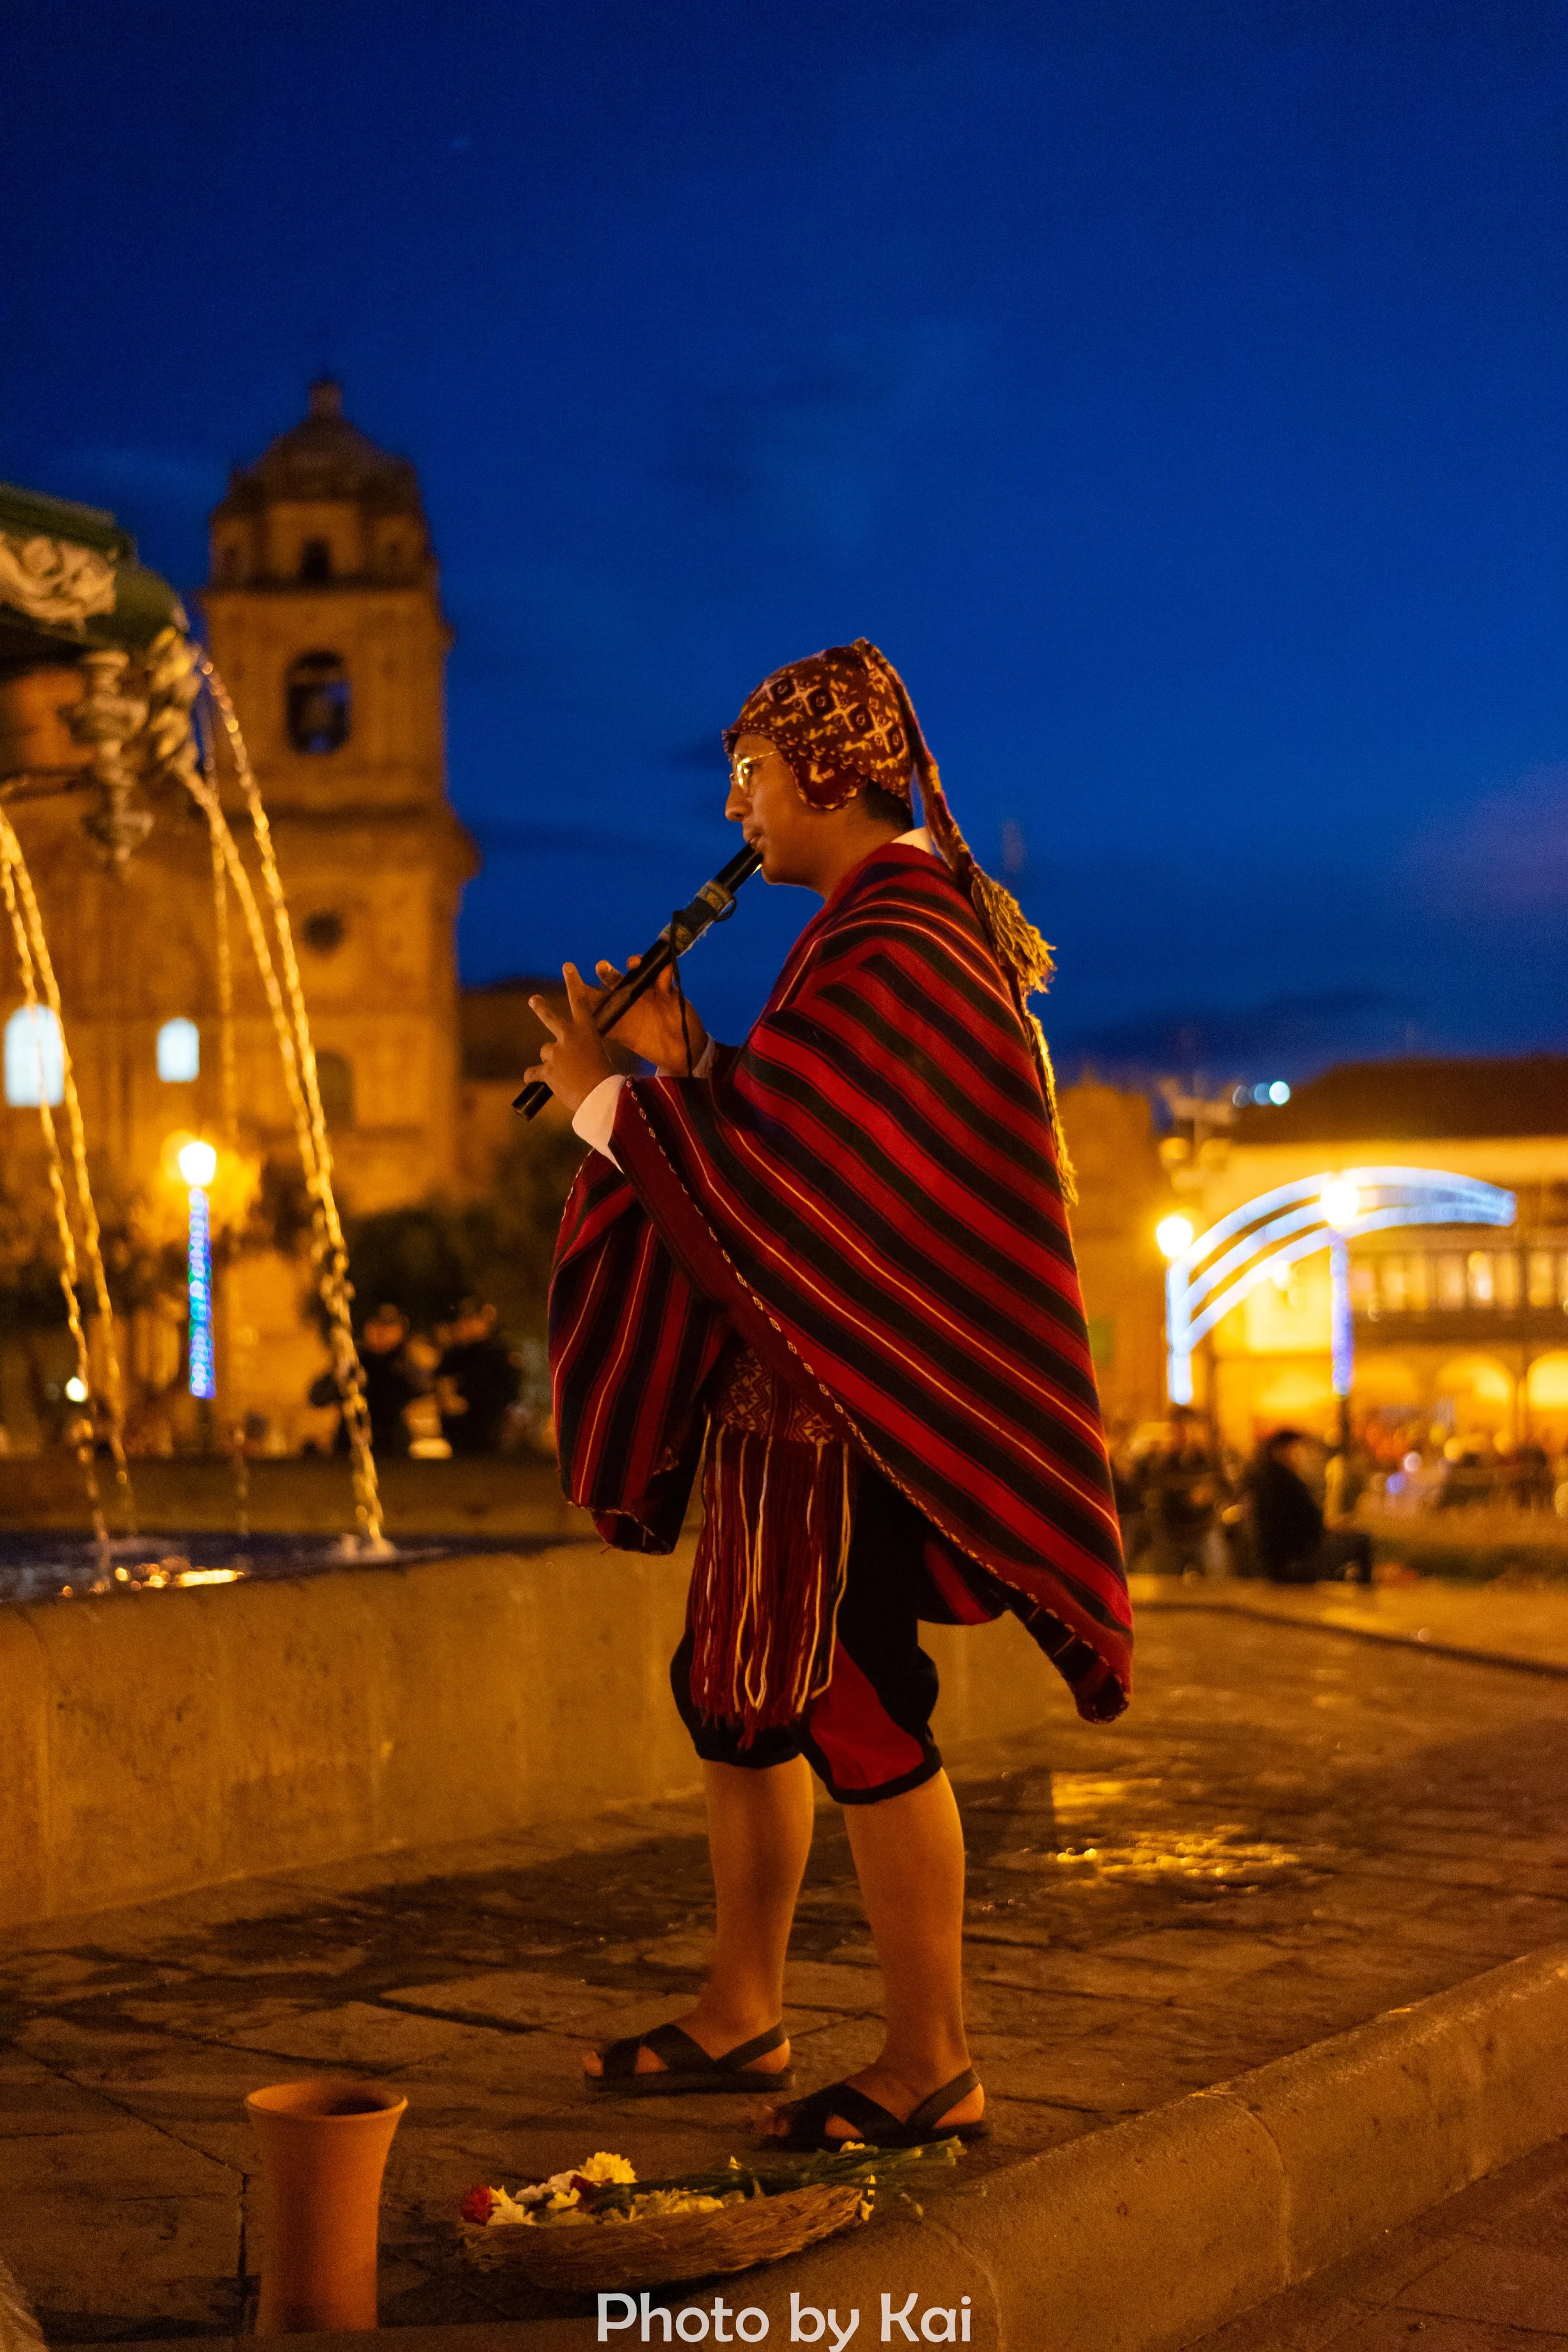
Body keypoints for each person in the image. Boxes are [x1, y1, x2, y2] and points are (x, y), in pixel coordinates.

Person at [529, 639, 1130, 2152]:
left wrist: (615, 1096)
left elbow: (818, 1183)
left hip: (856, 1410)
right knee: (733, 1695)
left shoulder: (903, 938)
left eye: (751, 774)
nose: (735, 806)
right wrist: (688, 1063)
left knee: (854, 1699)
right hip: (800, 1405)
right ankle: (747, 2006)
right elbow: (814, 1143)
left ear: (828, 776)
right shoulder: (870, 930)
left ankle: (932, 2056)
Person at [1246, 1427, 1373, 1585]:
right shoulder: (1287, 1481)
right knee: (1362, 1540)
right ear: (1281, 1451)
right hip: (1296, 1565)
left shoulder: (1264, 1479)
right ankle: (1366, 1596)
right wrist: (1338, 1526)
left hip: (1274, 1566)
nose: (1299, 1456)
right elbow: (1314, 1526)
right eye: (1295, 1450)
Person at [436, 1301, 521, 1456]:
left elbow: (508, 1391)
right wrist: (446, 1397)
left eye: (473, 1320)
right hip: (458, 1432)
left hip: (489, 1430)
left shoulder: (498, 1353)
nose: (467, 1325)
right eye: (464, 1320)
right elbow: (441, 1380)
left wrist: (472, 1401)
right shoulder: (455, 1354)